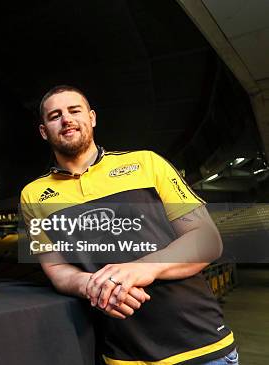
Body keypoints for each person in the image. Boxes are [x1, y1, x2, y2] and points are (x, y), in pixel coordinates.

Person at [20, 85, 238, 364]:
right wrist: (93, 285)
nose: (67, 119)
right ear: (43, 131)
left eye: (75, 110)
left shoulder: (147, 163)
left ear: (92, 118)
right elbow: (56, 269)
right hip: (122, 355)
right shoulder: (32, 196)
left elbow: (207, 239)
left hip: (202, 346)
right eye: (55, 115)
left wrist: (140, 269)